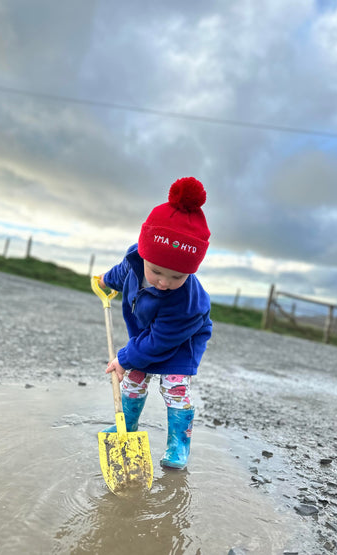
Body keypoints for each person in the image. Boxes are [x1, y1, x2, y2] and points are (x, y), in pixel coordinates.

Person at [97, 176, 212, 470]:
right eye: (157, 272)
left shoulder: (185, 302)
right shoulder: (136, 260)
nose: (164, 282)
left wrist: (124, 357)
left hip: (179, 343)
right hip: (147, 336)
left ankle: (178, 445)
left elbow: (161, 342)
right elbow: (122, 273)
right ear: (144, 255)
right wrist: (106, 282)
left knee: (175, 388)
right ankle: (128, 428)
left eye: (177, 277)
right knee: (134, 381)